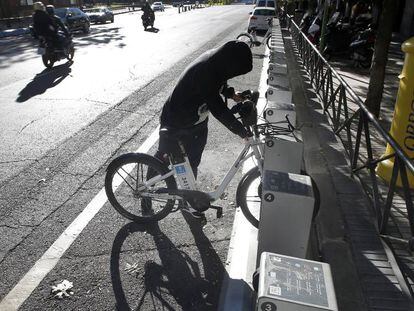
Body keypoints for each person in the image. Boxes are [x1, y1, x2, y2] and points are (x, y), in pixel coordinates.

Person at [155, 40, 253, 179]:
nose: (233, 75)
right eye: (235, 72)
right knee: (163, 159)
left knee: (192, 163)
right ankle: (146, 195)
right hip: (177, 119)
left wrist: (231, 94)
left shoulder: (218, 62)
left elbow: (218, 82)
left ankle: (188, 197)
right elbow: (218, 109)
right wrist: (241, 131)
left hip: (196, 120)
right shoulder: (205, 70)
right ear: (230, 64)